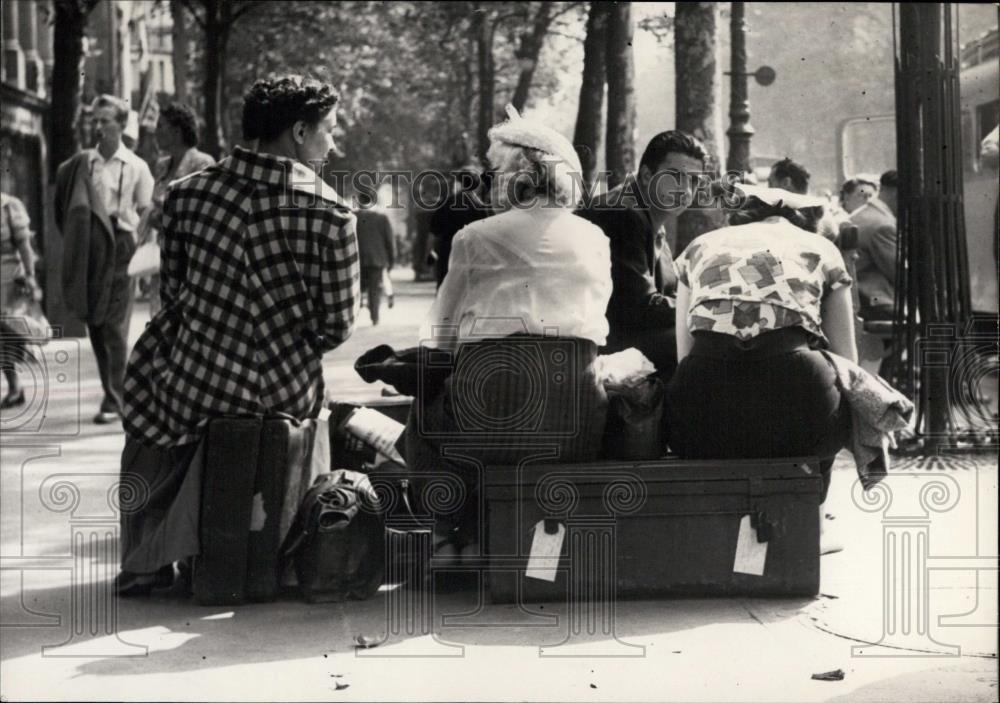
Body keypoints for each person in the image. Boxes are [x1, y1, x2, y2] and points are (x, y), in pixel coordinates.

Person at [116, 76, 360, 595]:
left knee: (144, 402)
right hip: (284, 394)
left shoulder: (184, 197)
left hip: (194, 390)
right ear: (298, 132)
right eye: (329, 132)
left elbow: (176, 291)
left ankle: (147, 557)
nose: (333, 145)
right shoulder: (332, 213)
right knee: (321, 406)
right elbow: (337, 325)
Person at [405, 106, 612, 561]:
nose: (488, 180)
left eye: (494, 169)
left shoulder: (474, 236)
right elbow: (597, 325)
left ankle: (450, 534)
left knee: (426, 415)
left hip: (490, 407)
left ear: (516, 174)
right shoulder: (595, 237)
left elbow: (441, 337)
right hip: (572, 417)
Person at [665, 187, 857, 509]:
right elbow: (848, 361)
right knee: (827, 385)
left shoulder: (699, 246)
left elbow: (685, 354)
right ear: (806, 222)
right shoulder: (821, 248)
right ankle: (811, 519)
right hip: (799, 407)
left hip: (701, 409)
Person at [54, 94, 155, 425]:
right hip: (91, 247)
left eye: (105, 121)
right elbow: (64, 208)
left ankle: (117, 399)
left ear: (122, 124)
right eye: (94, 121)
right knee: (95, 322)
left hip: (122, 245)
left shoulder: (137, 166)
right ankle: (113, 394)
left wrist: (143, 249)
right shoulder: (82, 164)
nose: (97, 127)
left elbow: (147, 213)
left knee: (115, 325)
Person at [576, 131, 707, 379]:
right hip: (595, 343)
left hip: (618, 332)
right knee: (702, 347)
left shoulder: (649, 214)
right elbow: (640, 306)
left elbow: (667, 290)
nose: (686, 190)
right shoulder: (623, 213)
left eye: (693, 181)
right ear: (647, 176)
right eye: (675, 177)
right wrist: (703, 304)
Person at [139, 102, 216, 318]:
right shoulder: (162, 166)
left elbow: (203, 213)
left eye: (161, 126)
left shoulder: (201, 163)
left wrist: (163, 210)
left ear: (177, 131)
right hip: (163, 259)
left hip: (191, 261)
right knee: (160, 321)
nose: (156, 132)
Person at [0, 191, 41, 408]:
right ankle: (14, 386)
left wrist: (31, 277)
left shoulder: (9, 206)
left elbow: (25, 246)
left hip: (8, 280)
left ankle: (15, 386)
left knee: (7, 334)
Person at [429, 165, 491, 287]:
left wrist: (431, 253)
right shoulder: (481, 207)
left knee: (445, 289)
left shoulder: (446, 203)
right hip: (471, 255)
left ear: (459, 182)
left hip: (447, 252)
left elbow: (434, 231)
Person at [851, 170, 898, 319]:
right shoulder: (883, 226)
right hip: (875, 302)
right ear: (897, 194)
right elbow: (900, 274)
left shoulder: (862, 214)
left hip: (859, 296)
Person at [355, 206, 396, 325]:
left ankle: (353, 317)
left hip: (357, 259)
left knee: (356, 289)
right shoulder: (382, 218)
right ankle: (375, 317)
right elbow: (389, 241)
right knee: (375, 289)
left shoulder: (353, 216)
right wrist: (391, 262)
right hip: (377, 260)